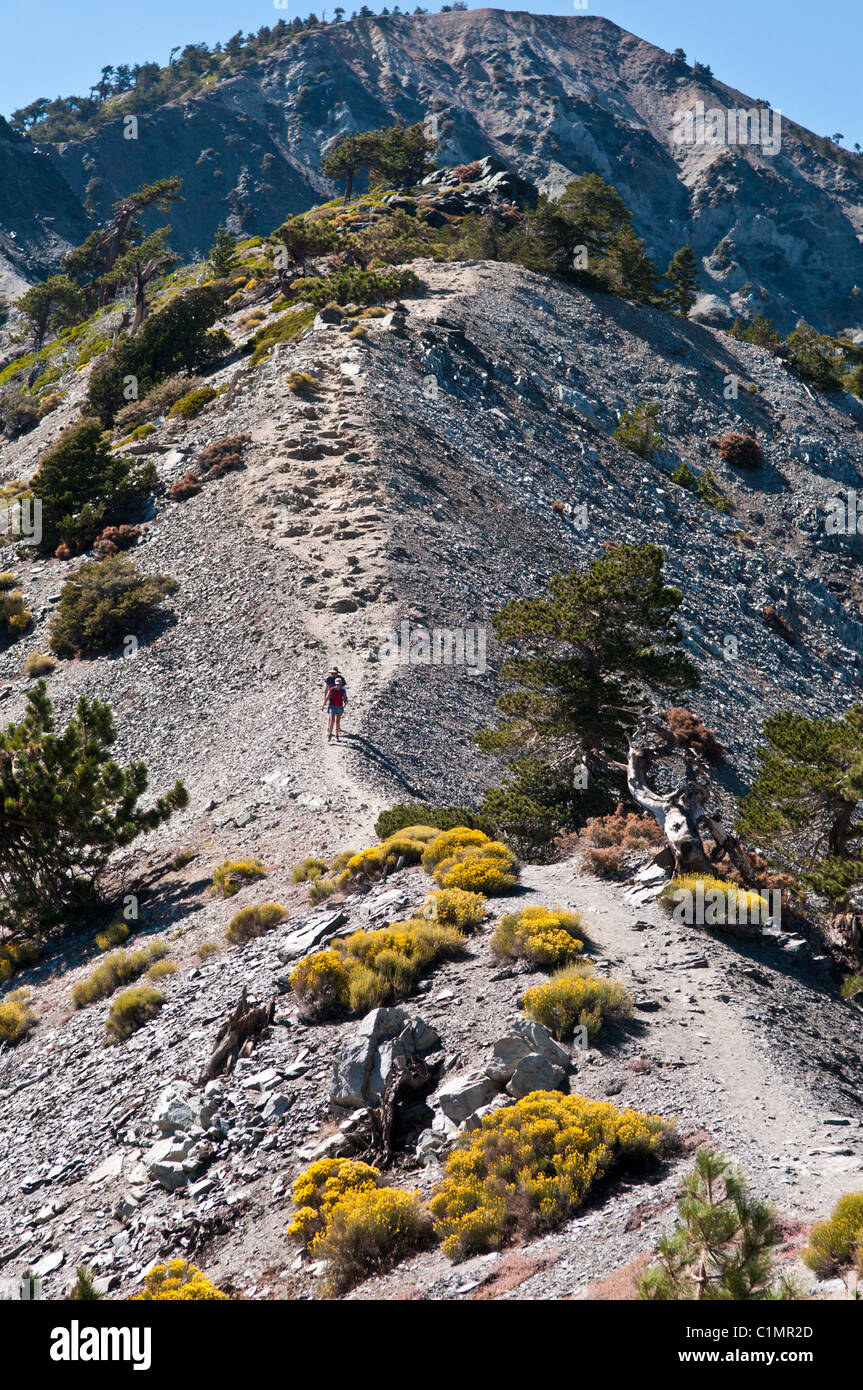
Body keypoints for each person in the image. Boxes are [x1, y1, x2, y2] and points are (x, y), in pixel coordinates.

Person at [323, 675, 348, 742]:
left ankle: (336, 735)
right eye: (337, 684)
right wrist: (323, 705)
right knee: (332, 720)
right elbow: (327, 697)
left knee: (337, 721)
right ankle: (330, 734)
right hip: (332, 706)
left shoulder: (343, 691)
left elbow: (345, 697)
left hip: (339, 706)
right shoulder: (332, 690)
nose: (338, 686)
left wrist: (345, 701)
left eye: (339, 684)